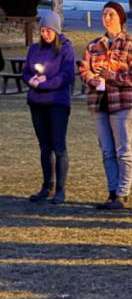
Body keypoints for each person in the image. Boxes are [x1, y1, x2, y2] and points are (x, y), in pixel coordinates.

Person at [80, 1, 132, 210]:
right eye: (104, 14)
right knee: (107, 150)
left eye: (111, 14)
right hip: (99, 103)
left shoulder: (131, 45)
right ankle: (111, 191)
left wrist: (114, 76)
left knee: (122, 149)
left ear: (120, 19)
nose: (106, 18)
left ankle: (122, 193)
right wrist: (91, 78)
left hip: (123, 104)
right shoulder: (93, 46)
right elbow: (84, 69)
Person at [22, 10, 75, 204]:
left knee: (58, 146)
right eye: (42, 30)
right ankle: (47, 186)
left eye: (48, 30)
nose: (44, 34)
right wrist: (32, 81)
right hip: (37, 103)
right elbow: (26, 72)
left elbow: (67, 75)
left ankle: (60, 189)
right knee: (44, 147)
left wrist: (45, 83)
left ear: (56, 30)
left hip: (57, 103)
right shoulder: (34, 49)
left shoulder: (65, 49)